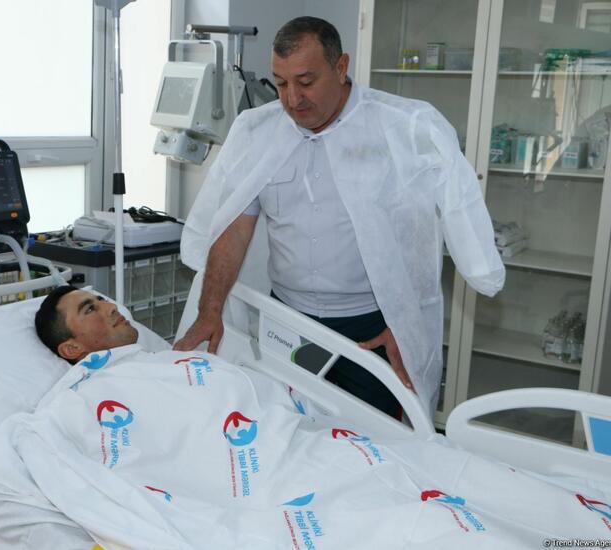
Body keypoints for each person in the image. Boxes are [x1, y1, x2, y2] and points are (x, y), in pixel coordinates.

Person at [174, 16, 505, 417]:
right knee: (287, 429)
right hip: (288, 320)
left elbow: (422, 238)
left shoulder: (402, 128)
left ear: (341, 66)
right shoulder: (257, 132)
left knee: (375, 437)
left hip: (371, 328)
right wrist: (209, 311)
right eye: (281, 83)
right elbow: (233, 228)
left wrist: (406, 325)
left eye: (306, 81)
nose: (293, 98)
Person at [35, 286, 139, 363]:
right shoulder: (100, 385)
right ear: (72, 349)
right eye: (90, 309)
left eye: (102, 300)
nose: (113, 306)